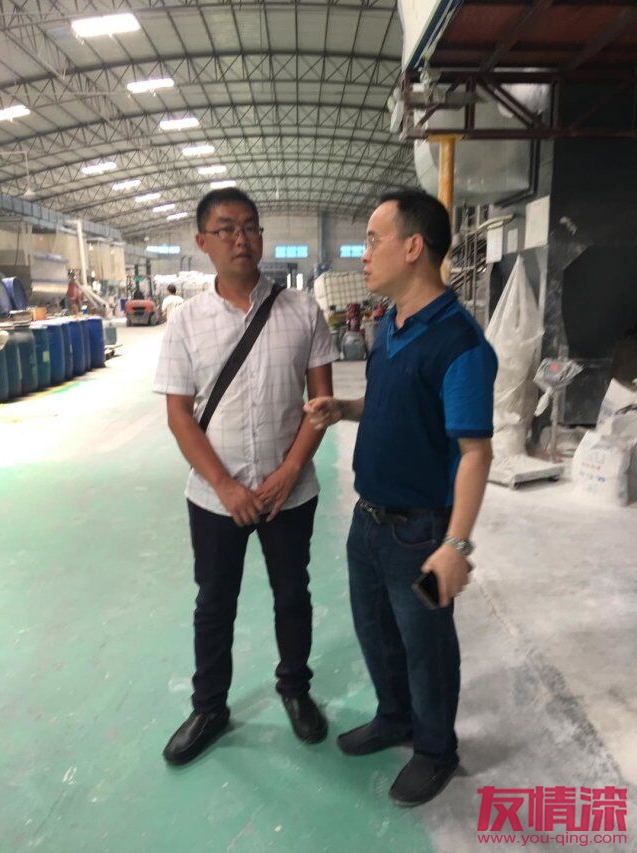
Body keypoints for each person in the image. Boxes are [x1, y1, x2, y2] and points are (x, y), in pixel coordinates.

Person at [304, 189, 497, 806]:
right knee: (377, 633)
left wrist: (455, 544)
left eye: (373, 240)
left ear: (413, 247)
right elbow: (396, 403)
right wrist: (345, 409)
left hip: (420, 531)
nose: (363, 255)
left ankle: (436, 749)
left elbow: (475, 453)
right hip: (369, 519)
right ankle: (395, 718)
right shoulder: (391, 324)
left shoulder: (460, 344)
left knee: (426, 647)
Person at [153, 187, 339, 765]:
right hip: (216, 498)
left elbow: (321, 404)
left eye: (251, 226)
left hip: (290, 492)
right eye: (227, 228)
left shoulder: (302, 310)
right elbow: (179, 415)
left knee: (292, 594)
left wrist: (290, 470)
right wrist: (225, 486)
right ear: (202, 241)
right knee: (215, 603)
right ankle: (209, 707)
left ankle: (296, 690)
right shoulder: (186, 323)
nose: (242, 238)